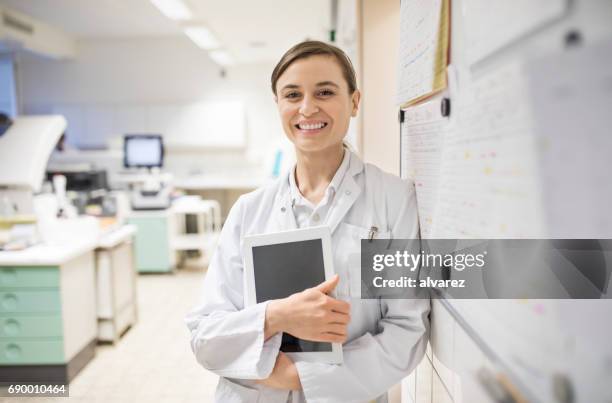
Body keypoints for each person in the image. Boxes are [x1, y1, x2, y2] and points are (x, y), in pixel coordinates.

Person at [185, 40, 430, 403]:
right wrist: (276, 315)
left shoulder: (393, 201)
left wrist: (299, 377)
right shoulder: (248, 211)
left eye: (325, 92)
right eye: (293, 94)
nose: (307, 107)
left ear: (355, 101)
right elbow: (205, 335)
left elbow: (406, 331)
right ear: (278, 105)